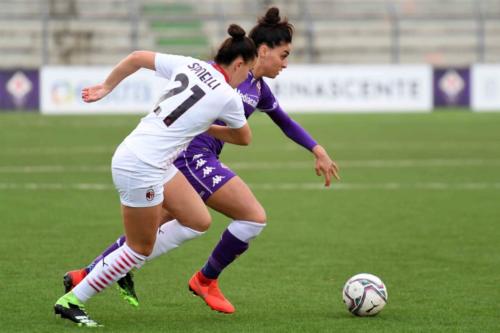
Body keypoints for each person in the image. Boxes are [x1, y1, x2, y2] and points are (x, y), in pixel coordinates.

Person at [63, 7, 340, 316]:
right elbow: (231, 130)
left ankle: (86, 275)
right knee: (251, 217)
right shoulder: (222, 78)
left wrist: (317, 149)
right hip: (188, 156)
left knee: (161, 223)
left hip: (189, 158)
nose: (286, 64)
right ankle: (205, 280)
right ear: (262, 51)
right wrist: (200, 126)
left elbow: (284, 121)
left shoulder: (259, 89)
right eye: (284, 55)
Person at [53, 24, 257, 327]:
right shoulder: (228, 96)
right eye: (247, 71)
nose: (245, 79)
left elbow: (136, 57)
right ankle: (72, 300)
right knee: (139, 248)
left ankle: (120, 263)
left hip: (146, 156)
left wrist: (107, 87)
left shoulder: (190, 64)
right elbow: (243, 138)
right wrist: (202, 126)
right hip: (142, 165)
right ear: (239, 63)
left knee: (198, 220)